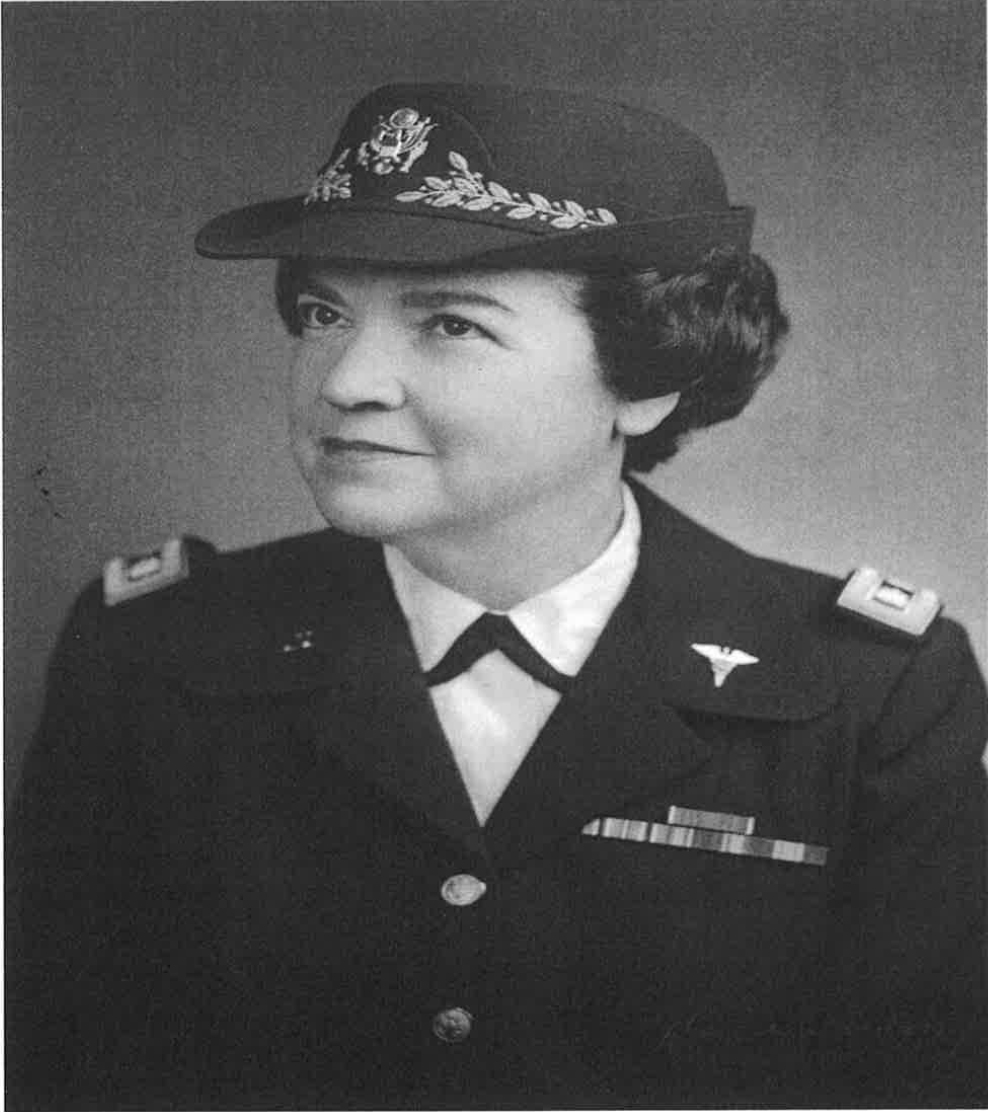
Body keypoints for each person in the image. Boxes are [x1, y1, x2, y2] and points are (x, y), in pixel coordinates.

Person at [7, 83, 986, 1111]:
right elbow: (60, 1057)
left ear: (648, 375)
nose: (346, 380)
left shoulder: (868, 692)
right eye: (322, 313)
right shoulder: (157, 652)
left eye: (451, 326)